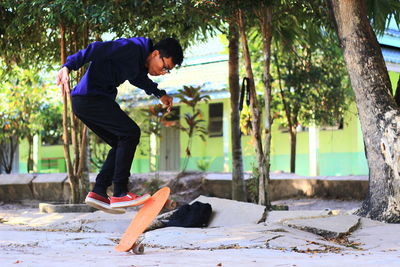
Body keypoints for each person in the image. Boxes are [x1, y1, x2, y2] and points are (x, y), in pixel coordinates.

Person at [56, 37, 183, 214]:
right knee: (130, 133)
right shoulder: (130, 48)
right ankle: (120, 192)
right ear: (155, 54)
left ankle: (99, 191)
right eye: (165, 67)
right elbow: (96, 48)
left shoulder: (138, 62)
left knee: (120, 141)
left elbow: (138, 79)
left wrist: (159, 94)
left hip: (86, 102)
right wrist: (68, 66)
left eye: (167, 71)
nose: (163, 72)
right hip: (90, 98)